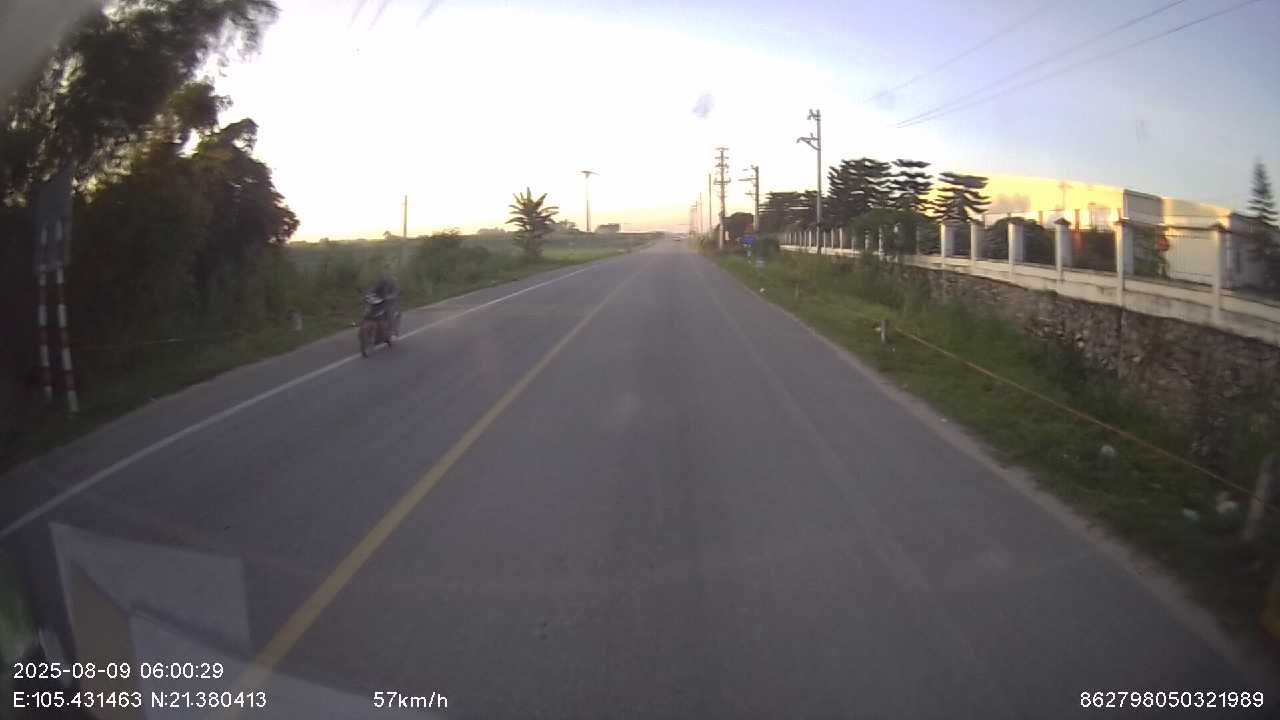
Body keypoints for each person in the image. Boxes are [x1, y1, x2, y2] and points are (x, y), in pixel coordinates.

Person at [370, 264, 401, 338]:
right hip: (380, 301)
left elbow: (396, 291)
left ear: (390, 272)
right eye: (384, 271)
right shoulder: (381, 280)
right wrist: (369, 294)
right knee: (371, 310)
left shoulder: (394, 280)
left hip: (391, 302)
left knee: (389, 313)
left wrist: (390, 296)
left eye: (387, 271)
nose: (385, 272)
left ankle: (392, 331)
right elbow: (374, 289)